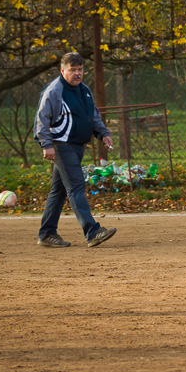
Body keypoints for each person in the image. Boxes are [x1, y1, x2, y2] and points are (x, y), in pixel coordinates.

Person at [34, 52, 117, 248]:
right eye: (72, 70)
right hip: (62, 146)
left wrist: (103, 133)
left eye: (80, 69)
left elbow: (93, 115)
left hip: (77, 146)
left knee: (58, 191)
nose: (77, 73)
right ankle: (92, 231)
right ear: (62, 71)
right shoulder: (54, 91)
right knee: (76, 187)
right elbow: (42, 119)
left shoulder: (84, 90)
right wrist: (46, 145)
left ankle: (46, 233)